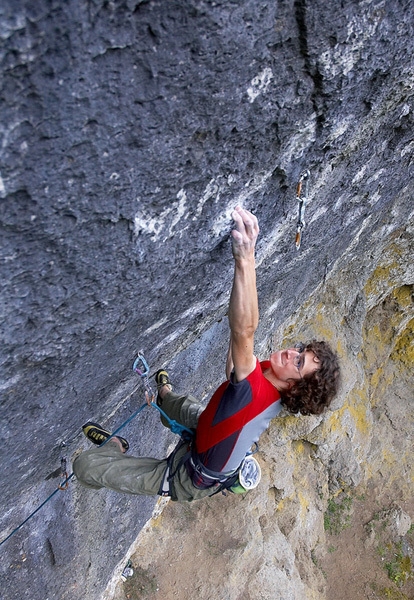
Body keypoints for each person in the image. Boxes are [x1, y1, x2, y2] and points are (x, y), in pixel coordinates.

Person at [73, 207, 340, 501]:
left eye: (299, 362)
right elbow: (233, 365)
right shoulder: (266, 375)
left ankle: (115, 446)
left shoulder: (256, 394)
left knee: (85, 467)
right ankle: (163, 391)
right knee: (173, 403)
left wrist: (246, 259)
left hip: (190, 475)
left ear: (295, 385)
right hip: (207, 431)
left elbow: (243, 332)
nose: (292, 352)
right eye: (301, 349)